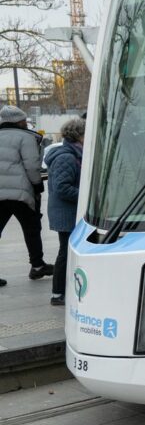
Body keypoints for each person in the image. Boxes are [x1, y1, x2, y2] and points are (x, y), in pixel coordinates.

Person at [0, 105, 51, 285]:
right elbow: (32, 165)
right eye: (24, 120)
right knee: (31, 229)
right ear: (19, 121)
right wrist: (38, 186)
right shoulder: (26, 137)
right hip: (20, 193)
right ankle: (37, 266)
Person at [45, 118, 86, 306]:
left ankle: (64, 289)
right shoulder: (67, 157)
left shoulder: (74, 153)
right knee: (65, 252)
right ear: (78, 135)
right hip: (66, 213)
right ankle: (57, 293)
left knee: (68, 251)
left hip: (69, 212)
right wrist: (86, 196)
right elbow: (62, 187)